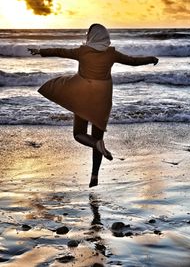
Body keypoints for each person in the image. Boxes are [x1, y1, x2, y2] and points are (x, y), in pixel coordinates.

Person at [28, 23, 158, 188]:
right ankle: (95, 176)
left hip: (82, 95)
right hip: (102, 99)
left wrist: (40, 51)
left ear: (91, 36)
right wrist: (151, 59)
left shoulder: (82, 52)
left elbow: (61, 51)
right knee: (98, 137)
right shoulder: (111, 54)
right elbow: (132, 61)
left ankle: (95, 144)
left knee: (79, 134)